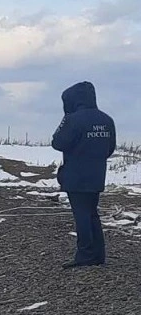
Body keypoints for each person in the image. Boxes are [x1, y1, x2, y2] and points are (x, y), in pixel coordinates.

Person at [51, 81, 116, 268]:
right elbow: (110, 148)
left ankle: (85, 255)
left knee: (81, 215)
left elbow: (58, 142)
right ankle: (98, 254)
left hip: (76, 175)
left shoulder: (73, 119)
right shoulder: (107, 120)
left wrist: (66, 118)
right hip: (97, 174)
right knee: (92, 213)